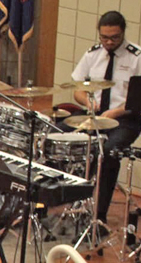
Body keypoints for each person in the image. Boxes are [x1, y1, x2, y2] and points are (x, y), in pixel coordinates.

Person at [72, 11, 141, 229]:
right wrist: (89, 103)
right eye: (104, 38)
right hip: (97, 115)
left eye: (114, 38)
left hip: (126, 119)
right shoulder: (93, 54)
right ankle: (68, 202)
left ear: (123, 33)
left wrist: (114, 113)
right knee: (61, 134)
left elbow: (138, 100)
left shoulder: (137, 57)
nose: (109, 42)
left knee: (109, 152)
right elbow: (77, 91)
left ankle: (99, 216)